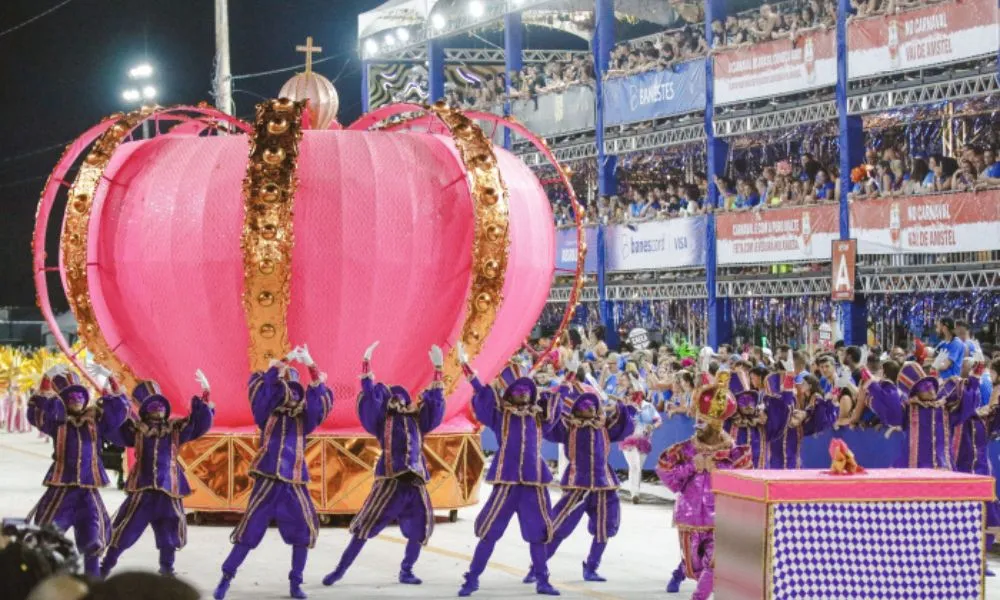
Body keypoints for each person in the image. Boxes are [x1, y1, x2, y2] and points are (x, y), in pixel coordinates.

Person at [213, 345, 333, 600]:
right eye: (284, 389)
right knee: (248, 531)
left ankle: (295, 582)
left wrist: (311, 366)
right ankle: (226, 578)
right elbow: (265, 389)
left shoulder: (305, 418)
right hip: (268, 478)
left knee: (303, 531)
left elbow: (318, 399)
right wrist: (284, 362)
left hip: (294, 481)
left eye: (294, 390)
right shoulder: (267, 413)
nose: (290, 396)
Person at [323, 342, 446, 587]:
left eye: (403, 398)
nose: (400, 401)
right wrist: (366, 368)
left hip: (414, 481)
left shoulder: (418, 420)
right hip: (390, 481)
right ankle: (340, 570)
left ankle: (406, 570)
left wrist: (438, 369)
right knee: (365, 526)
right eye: (394, 397)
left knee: (420, 529)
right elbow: (369, 400)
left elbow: (436, 405)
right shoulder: (382, 421)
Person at [457, 343, 563, 597]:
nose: (525, 395)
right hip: (506, 482)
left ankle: (542, 580)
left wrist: (567, 378)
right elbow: (482, 393)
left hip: (533, 483)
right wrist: (466, 368)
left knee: (538, 533)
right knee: (489, 532)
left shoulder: (539, 416)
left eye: (528, 390)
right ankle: (472, 578)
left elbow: (557, 404)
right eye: (519, 391)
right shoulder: (499, 416)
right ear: (510, 394)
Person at [100, 374, 215, 577]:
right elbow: (114, 428)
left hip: (169, 488)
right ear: (145, 410)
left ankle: (167, 570)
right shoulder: (135, 430)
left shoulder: (175, 429)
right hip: (143, 490)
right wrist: (115, 394)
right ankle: (105, 566)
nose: (158, 410)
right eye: (153, 406)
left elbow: (197, 425)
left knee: (168, 533)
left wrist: (204, 397)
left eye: (161, 406)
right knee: (126, 530)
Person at [26, 365, 129, 578]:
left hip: (88, 491)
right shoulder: (56, 424)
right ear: (63, 402)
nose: (76, 400)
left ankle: (94, 588)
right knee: (47, 541)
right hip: (61, 491)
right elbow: (36, 414)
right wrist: (45, 382)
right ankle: (45, 585)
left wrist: (111, 380)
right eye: (70, 397)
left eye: (80, 396)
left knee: (93, 543)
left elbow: (118, 411)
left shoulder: (96, 422)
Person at [658, 372, 752, 599]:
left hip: (720, 518)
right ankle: (681, 571)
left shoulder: (733, 453)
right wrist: (693, 466)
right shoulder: (684, 450)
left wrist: (719, 470)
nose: (699, 425)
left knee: (715, 564)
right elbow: (670, 479)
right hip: (689, 517)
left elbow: (745, 482)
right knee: (695, 565)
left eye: (706, 422)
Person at [530, 385, 635, 583]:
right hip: (577, 486)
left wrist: (624, 406)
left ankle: (591, 567)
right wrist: (552, 398)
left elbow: (622, 426)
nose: (589, 412)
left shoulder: (603, 427)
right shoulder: (569, 427)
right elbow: (549, 424)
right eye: (585, 409)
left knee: (606, 527)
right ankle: (537, 567)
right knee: (559, 525)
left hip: (604, 485)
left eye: (592, 408)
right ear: (577, 410)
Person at [869, 361, 970, 469]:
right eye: (925, 388)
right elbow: (891, 410)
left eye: (931, 386)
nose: (931, 391)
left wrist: (975, 377)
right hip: (915, 469)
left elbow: (967, 403)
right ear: (916, 393)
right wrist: (872, 382)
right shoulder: (907, 408)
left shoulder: (945, 405)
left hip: (943, 467)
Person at [949, 362, 998, 570]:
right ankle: (970, 559)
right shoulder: (954, 413)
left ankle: (981, 559)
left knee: (986, 512)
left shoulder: (980, 418)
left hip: (979, 471)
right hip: (963, 471)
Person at [765, 353, 837, 469]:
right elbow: (784, 404)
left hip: (793, 434)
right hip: (781, 433)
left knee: (791, 462)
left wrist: (804, 414)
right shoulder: (774, 382)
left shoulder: (805, 391)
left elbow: (813, 413)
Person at [619, 370, 662, 504]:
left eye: (635, 391)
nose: (633, 393)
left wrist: (652, 427)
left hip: (644, 441)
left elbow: (658, 420)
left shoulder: (648, 406)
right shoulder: (626, 406)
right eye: (631, 391)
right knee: (635, 466)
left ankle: (636, 490)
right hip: (629, 439)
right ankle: (634, 494)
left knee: (638, 467)